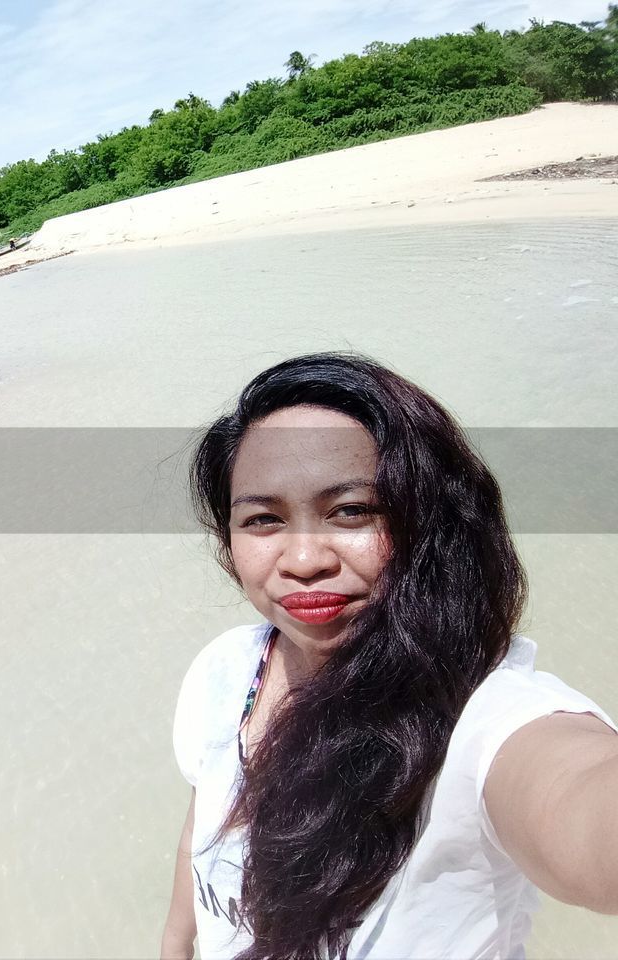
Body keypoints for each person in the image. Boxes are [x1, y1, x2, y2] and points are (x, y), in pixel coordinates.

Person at [160, 353, 618, 960]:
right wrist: (173, 946)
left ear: (429, 522)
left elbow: (580, 804)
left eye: (352, 511)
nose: (304, 560)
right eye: (263, 519)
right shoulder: (228, 670)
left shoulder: (483, 720)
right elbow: (203, 830)